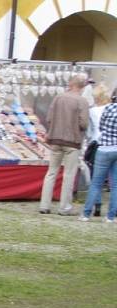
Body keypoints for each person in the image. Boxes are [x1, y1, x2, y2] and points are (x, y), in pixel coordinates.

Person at [38, 73, 89, 216]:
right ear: (82, 87)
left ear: (70, 85)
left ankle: (44, 205)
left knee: (51, 172)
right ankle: (64, 207)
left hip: (55, 140)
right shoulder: (82, 101)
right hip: (72, 142)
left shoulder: (58, 98)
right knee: (69, 174)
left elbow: (48, 118)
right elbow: (84, 123)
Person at [80, 90, 117, 223]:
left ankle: (86, 214)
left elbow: (100, 126)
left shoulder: (108, 108)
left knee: (96, 183)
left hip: (104, 147)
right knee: (115, 185)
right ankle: (111, 216)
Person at [83, 83, 111, 218]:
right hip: (113, 145)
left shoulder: (92, 111)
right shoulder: (113, 109)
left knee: (96, 178)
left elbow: (89, 132)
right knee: (113, 179)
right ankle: (113, 211)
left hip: (97, 144)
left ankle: (96, 206)